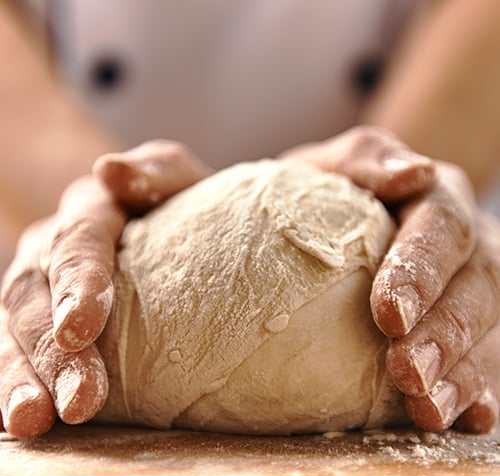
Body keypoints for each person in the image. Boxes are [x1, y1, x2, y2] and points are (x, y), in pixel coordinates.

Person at [0, 0, 499, 438]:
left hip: (408, 146)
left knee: (424, 313)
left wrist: (412, 202)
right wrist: (89, 217)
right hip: (64, 184)